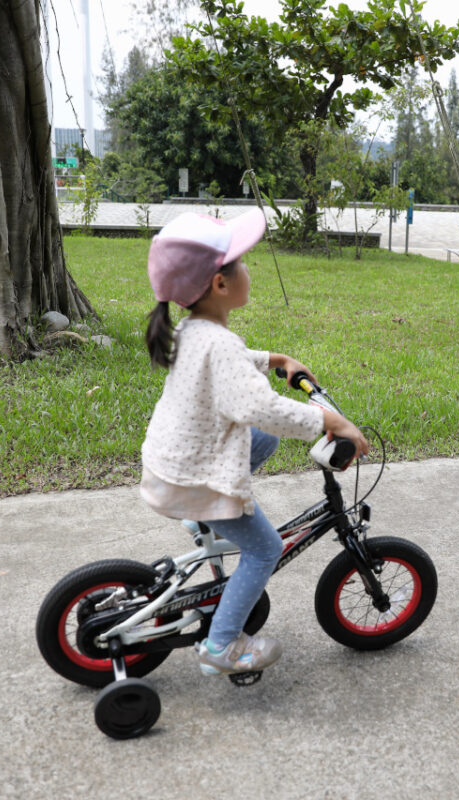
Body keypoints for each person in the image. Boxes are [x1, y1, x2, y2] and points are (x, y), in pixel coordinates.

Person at [140, 210, 369, 676]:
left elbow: (235, 364)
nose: (249, 270)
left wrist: (276, 358)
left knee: (259, 440)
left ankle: (206, 526)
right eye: (243, 264)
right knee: (265, 549)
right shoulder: (215, 343)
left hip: (175, 464)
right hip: (194, 482)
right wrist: (333, 422)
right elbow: (263, 409)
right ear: (220, 285)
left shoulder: (191, 329)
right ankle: (221, 647)